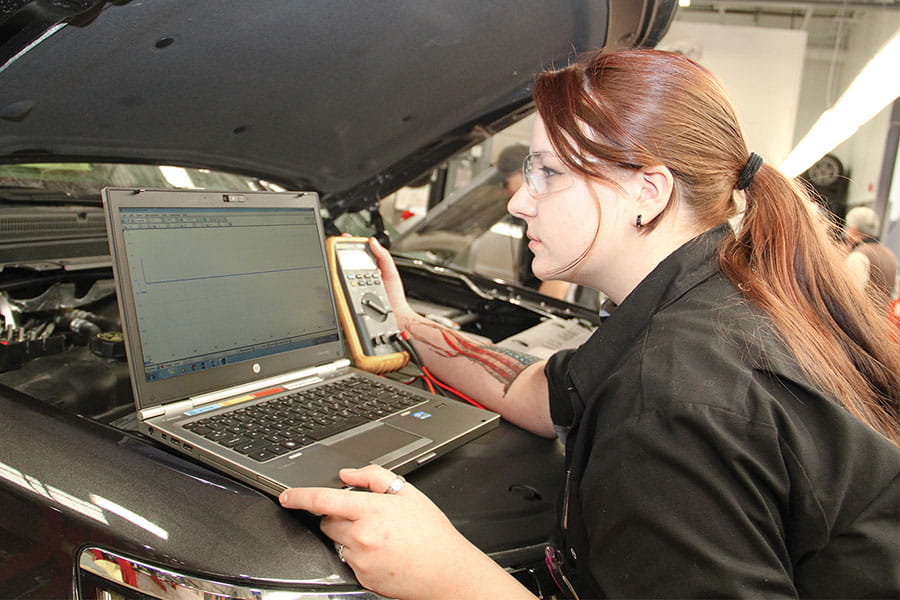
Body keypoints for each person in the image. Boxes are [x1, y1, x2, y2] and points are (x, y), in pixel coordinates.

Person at [280, 49, 900, 599]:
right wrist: (404, 323)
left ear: (648, 193)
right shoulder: (704, 296)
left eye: (549, 173)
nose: (519, 199)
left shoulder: (672, 396)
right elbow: (532, 392)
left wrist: (447, 573)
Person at [498, 143, 573, 300]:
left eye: (505, 183)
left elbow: (557, 284)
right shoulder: (536, 217)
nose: (505, 191)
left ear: (522, 173)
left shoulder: (555, 219)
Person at [843, 205, 898, 304]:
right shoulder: (890, 255)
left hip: (859, 317)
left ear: (853, 229)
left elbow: (850, 296)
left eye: (847, 227)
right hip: (881, 318)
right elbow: (894, 295)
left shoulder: (858, 255)